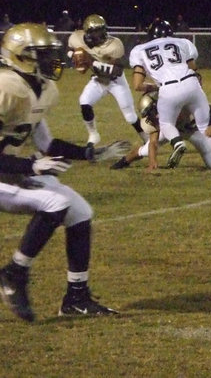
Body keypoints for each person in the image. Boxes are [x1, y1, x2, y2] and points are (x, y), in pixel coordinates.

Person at [0, 23, 129, 321]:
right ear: (21, 56)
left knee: (80, 210)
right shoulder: (6, 87)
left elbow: (46, 143)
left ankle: (76, 297)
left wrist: (89, 153)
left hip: (9, 170)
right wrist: (29, 165)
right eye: (42, 54)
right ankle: (14, 273)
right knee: (55, 203)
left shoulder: (41, 88)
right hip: (8, 170)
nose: (52, 60)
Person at [129, 20, 211, 175]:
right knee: (206, 128)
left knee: (166, 124)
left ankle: (177, 143)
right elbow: (195, 72)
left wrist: (156, 87)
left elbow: (137, 85)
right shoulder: (182, 42)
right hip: (191, 83)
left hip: (168, 88)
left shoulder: (140, 50)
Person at [67, 14, 147, 145]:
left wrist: (91, 62)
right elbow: (69, 49)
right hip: (98, 79)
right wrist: (75, 56)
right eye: (98, 32)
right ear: (88, 33)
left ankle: (146, 138)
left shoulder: (114, 44)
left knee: (130, 117)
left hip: (116, 81)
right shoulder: (76, 38)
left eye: (103, 30)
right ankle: (93, 134)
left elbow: (117, 71)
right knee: (84, 102)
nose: (102, 35)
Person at [110, 91, 211, 174]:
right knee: (145, 150)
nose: (151, 117)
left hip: (192, 131)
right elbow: (153, 142)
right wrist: (152, 162)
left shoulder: (181, 105)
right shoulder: (157, 119)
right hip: (170, 131)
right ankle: (124, 161)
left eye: (151, 112)